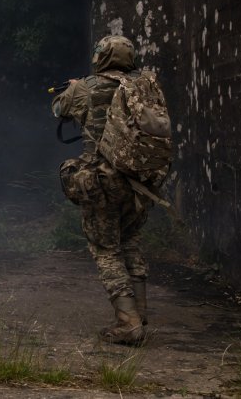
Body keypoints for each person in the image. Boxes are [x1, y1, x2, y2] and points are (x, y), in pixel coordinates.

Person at [51, 35, 167, 345]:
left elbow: (58, 109)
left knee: (106, 249)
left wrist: (75, 85)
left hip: (102, 181)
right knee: (130, 240)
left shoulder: (86, 87)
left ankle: (127, 323)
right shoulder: (144, 86)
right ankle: (139, 313)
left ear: (101, 57)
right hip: (138, 183)